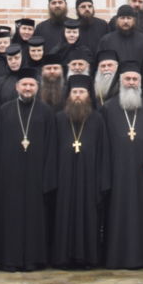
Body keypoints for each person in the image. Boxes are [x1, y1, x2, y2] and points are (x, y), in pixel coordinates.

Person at [0, 70, 59, 271]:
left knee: (35, 219)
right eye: (24, 85)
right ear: (17, 87)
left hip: (36, 176)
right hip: (10, 177)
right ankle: (9, 260)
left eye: (31, 85)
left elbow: (51, 145)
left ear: (37, 88)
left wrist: (48, 178)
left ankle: (33, 260)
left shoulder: (46, 112)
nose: (28, 88)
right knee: (10, 218)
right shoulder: (5, 110)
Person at [101, 66, 143, 270]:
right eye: (127, 78)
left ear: (140, 82)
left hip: (141, 170)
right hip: (116, 169)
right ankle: (115, 258)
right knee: (116, 212)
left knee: (142, 212)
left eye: (134, 79)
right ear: (120, 82)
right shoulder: (108, 108)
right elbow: (103, 142)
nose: (130, 82)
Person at [50, 74, 109, 269]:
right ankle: (63, 258)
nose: (77, 96)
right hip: (64, 179)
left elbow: (103, 153)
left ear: (88, 95)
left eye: (81, 92)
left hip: (89, 181)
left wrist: (103, 182)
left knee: (89, 218)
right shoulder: (58, 119)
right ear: (68, 95)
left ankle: (88, 259)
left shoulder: (98, 120)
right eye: (74, 92)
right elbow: (51, 153)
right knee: (64, 218)